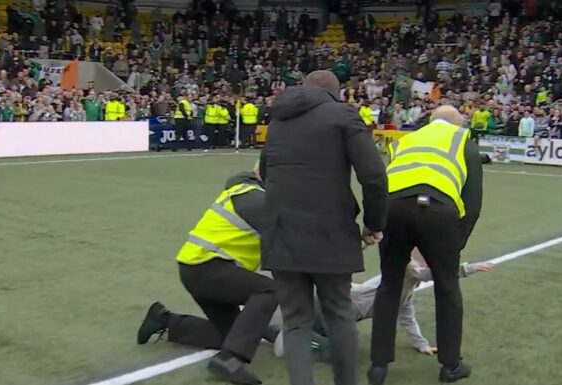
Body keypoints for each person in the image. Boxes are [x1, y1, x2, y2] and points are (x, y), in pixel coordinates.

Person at [260, 70, 388, 385]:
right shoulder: (345, 115)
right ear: (337, 93)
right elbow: (373, 175)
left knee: (295, 321)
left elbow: (264, 171)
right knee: (339, 313)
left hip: (281, 231)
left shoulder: (278, 119)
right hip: (330, 230)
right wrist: (374, 224)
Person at [368, 105, 483, 385]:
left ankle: (378, 366)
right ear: (458, 124)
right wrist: (458, 242)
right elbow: (473, 200)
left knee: (389, 285)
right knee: (447, 287)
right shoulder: (463, 140)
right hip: (438, 210)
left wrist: (377, 221)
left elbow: (384, 181)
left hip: (393, 208)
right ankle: (451, 365)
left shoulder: (405, 141)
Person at [136, 167, 278, 385]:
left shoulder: (245, 192)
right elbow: (292, 243)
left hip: (197, 268)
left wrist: (270, 333)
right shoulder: (254, 198)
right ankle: (228, 360)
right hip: (208, 268)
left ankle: (165, 320)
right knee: (269, 290)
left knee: (232, 336)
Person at [272, 248, 494, 359]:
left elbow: (408, 319)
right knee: (341, 351)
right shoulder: (402, 273)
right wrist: (468, 269)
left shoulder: (405, 296)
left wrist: (422, 344)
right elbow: (428, 274)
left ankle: (273, 331)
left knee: (339, 338)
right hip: (329, 307)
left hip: (333, 313)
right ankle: (295, 336)